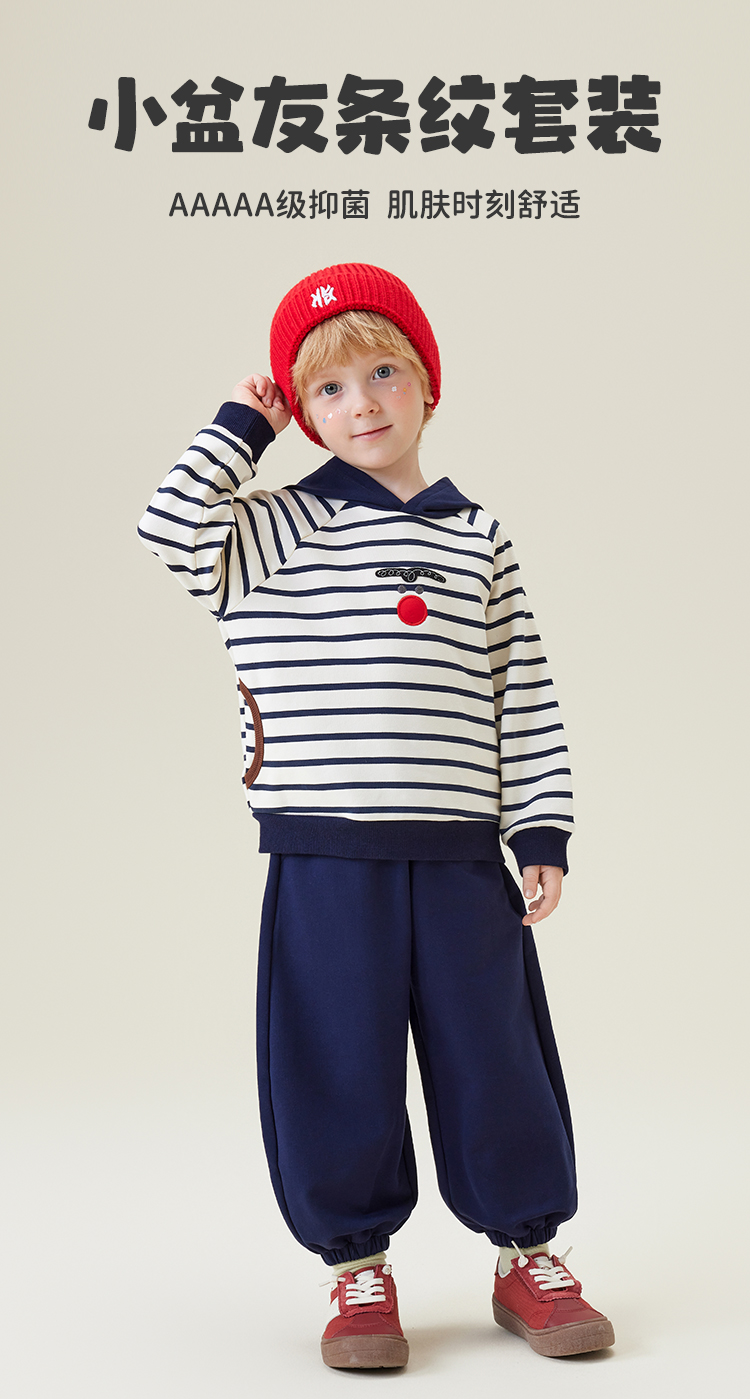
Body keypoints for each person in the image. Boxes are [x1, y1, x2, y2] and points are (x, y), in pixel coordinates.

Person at [138, 262, 614, 1368]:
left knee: (496, 1058)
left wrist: (540, 831)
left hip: (460, 860)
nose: (363, 404)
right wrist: (240, 428)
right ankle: (356, 1269)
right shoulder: (270, 529)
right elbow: (166, 525)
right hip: (324, 858)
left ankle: (528, 1253)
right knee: (335, 1061)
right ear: (303, 411)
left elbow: (522, 692)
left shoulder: (476, 536)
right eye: (330, 388)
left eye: (385, 372)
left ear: (427, 383)